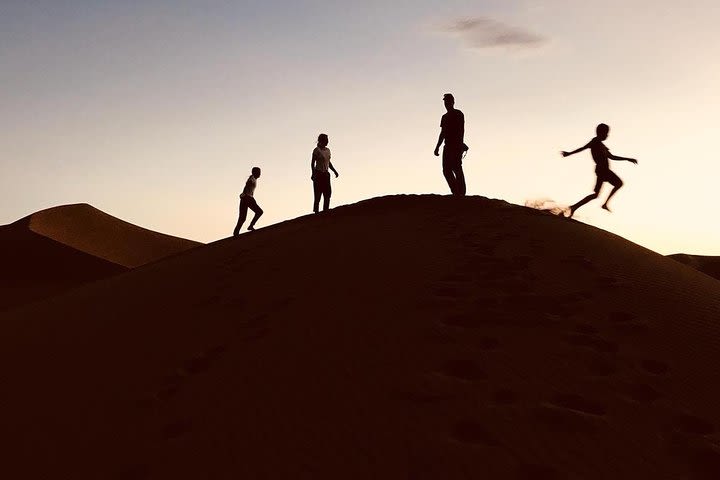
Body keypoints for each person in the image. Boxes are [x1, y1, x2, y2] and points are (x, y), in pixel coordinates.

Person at [562, 123, 638, 217]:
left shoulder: (603, 146)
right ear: (600, 133)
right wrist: (569, 153)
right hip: (602, 170)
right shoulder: (595, 141)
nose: (607, 135)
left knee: (596, 194)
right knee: (618, 183)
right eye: (606, 133)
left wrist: (627, 159)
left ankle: (573, 207)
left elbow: (612, 157)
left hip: (604, 170)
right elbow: (582, 148)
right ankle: (604, 204)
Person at [434, 93, 467, 196]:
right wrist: (437, 147)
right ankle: (456, 192)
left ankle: (461, 192)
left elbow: (461, 130)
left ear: (452, 102)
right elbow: (443, 133)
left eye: (447, 101)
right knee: (446, 170)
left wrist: (459, 145)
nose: (446, 103)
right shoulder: (444, 117)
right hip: (447, 146)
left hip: (455, 146)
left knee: (456, 167)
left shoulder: (458, 114)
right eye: (445, 101)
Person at [311, 133, 339, 213]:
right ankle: (316, 212)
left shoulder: (328, 150)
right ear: (322, 140)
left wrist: (334, 171)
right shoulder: (316, 150)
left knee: (327, 194)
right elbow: (312, 163)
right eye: (326, 140)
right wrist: (313, 173)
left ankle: (325, 211)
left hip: (326, 174)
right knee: (318, 195)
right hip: (318, 174)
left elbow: (328, 162)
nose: (327, 142)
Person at [233, 167, 263, 235]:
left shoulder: (253, 178)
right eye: (259, 172)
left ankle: (236, 233)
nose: (260, 174)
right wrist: (244, 194)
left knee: (242, 218)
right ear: (254, 172)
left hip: (246, 198)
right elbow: (247, 186)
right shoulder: (252, 179)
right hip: (247, 198)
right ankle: (250, 226)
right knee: (259, 212)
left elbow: (247, 187)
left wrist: (244, 195)